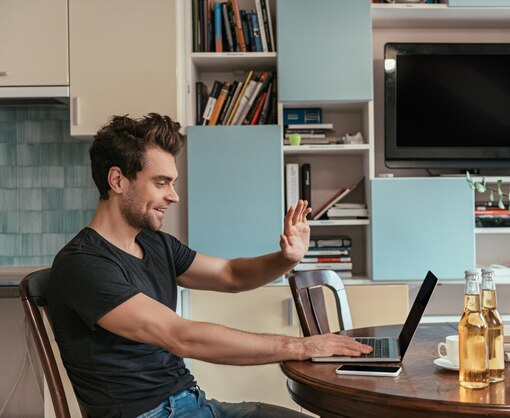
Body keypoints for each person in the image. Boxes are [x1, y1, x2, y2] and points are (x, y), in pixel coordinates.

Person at [48, 113, 372, 418]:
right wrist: (300, 346)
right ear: (118, 180)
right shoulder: (83, 264)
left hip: (192, 403)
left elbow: (231, 275)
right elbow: (182, 337)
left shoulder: (155, 244)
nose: (174, 196)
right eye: (161, 182)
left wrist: (286, 258)